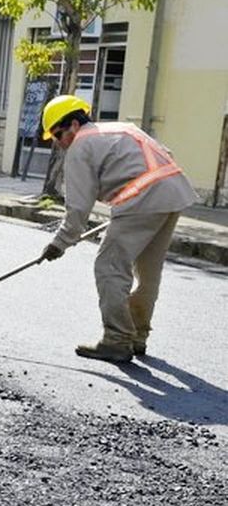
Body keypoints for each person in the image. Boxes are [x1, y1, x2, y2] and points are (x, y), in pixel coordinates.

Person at [38, 94, 198, 362]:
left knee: (109, 266)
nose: (58, 143)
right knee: (148, 272)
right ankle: (137, 336)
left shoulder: (80, 147)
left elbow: (77, 209)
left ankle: (117, 339)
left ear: (75, 125)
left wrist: (58, 244)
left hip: (144, 200)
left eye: (57, 134)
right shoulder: (122, 127)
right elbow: (164, 155)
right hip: (173, 194)